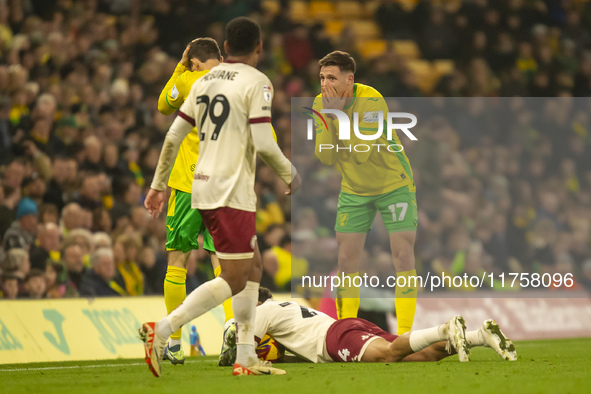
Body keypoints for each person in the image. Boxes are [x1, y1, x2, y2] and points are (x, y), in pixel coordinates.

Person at [141, 16, 300, 377]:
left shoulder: (201, 82)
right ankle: (163, 330)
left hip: (198, 184)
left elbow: (170, 136)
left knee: (252, 267)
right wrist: (290, 172)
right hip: (231, 189)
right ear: (259, 47)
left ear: (226, 47)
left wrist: (156, 185)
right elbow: (263, 141)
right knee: (234, 276)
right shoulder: (257, 82)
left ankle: (245, 356)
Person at [313, 51, 418, 334]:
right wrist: (331, 113)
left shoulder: (372, 101)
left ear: (350, 80)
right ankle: (346, 331)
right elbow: (324, 156)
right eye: (322, 78)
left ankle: (405, 335)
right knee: (346, 261)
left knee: (403, 256)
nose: (325, 85)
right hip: (355, 189)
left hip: (393, 184)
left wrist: (334, 114)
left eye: (331, 78)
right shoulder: (318, 104)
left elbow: (360, 153)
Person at [155, 37, 225, 365]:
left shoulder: (186, 80)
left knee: (177, 261)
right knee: (224, 261)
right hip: (223, 185)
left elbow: (162, 106)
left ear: (194, 61)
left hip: (186, 184)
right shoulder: (235, 83)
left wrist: (179, 68)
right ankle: (233, 333)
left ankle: (174, 341)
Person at [222, 287, 517, 364]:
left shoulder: (261, 313)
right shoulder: (284, 307)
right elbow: (293, 348)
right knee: (421, 355)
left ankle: (444, 328)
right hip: (345, 328)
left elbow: (238, 343)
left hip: (335, 340)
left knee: (388, 354)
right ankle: (481, 335)